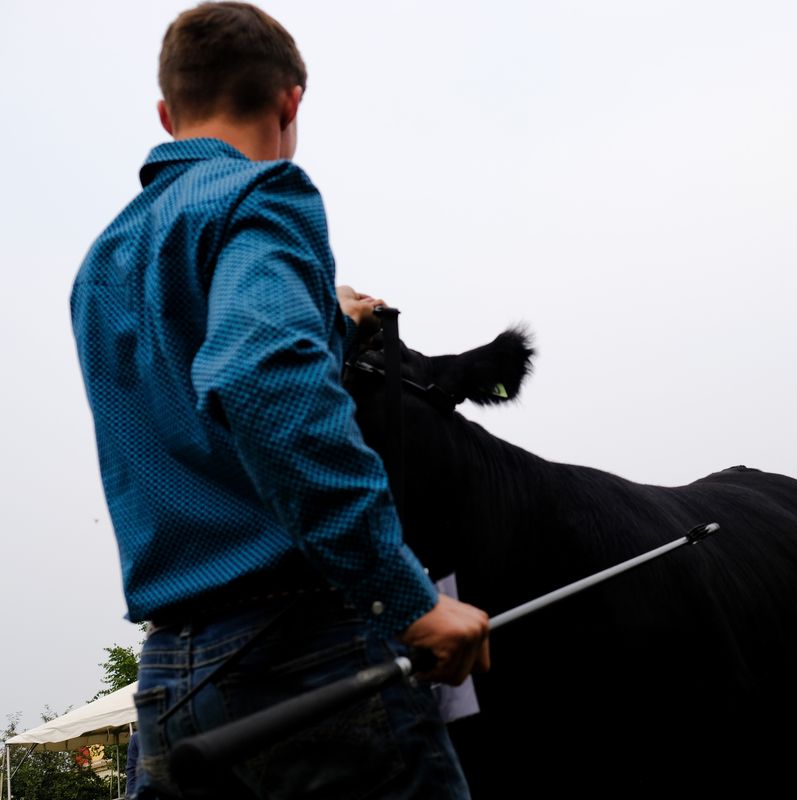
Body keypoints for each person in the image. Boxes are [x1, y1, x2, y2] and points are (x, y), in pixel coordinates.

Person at [70, 4, 489, 797]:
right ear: (292, 100)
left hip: (171, 678)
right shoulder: (266, 198)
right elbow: (257, 377)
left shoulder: (105, 262)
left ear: (168, 113)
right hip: (305, 654)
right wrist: (409, 599)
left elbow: (199, 363)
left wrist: (325, 316)